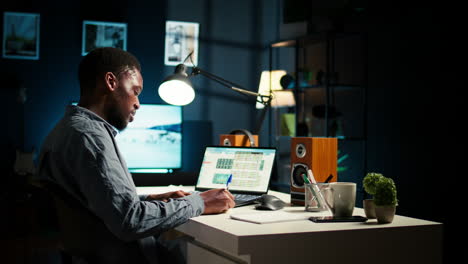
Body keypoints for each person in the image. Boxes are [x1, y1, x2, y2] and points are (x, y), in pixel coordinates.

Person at [36, 47, 235, 263]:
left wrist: (149, 199)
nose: (138, 103)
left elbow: (96, 201)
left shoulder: (67, 129)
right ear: (111, 82)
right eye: (135, 91)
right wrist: (201, 202)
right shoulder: (90, 137)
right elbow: (130, 220)